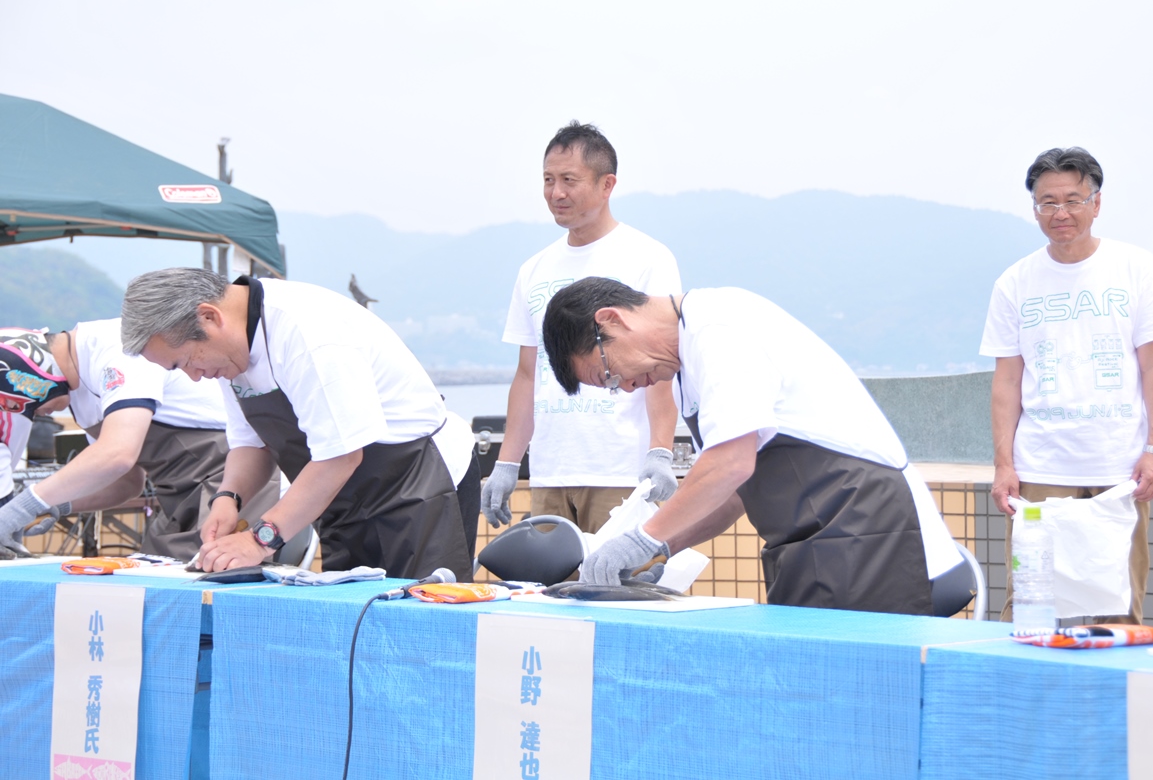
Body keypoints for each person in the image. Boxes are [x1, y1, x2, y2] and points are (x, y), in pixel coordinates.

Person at [539, 277, 963, 613]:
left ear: (611, 320)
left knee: (851, 703)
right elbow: (735, 492)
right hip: (824, 540)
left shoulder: (718, 327)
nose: (627, 387)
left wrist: (643, 538)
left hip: (869, 530)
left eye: (609, 374)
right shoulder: (689, 361)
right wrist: (661, 549)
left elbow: (731, 464)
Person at [120, 269, 480, 579]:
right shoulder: (228, 354)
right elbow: (251, 444)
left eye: (185, 361)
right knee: (355, 627)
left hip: (419, 485)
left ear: (209, 317)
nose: (194, 377)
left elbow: (341, 457)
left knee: (426, 626)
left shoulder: (306, 330)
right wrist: (228, 499)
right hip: (342, 500)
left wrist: (258, 540)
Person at [980, 147, 1153, 624]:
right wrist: (1004, 464)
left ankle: (1108, 697)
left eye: (1073, 199)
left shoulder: (1137, 269)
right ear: (1034, 209)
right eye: (1047, 202)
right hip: (1041, 466)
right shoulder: (1015, 282)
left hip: (1120, 468)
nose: (1060, 213)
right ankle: (1029, 695)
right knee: (1031, 606)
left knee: (1117, 606)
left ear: (1096, 202)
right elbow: (1007, 380)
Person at [482, 121, 681, 534]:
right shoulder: (533, 270)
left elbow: (660, 362)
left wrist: (660, 451)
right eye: (548, 180)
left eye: (569, 180)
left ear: (607, 184)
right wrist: (507, 462)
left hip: (623, 473)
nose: (557, 193)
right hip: (551, 472)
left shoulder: (647, 257)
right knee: (551, 595)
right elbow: (527, 374)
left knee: (623, 593)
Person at [0, 319, 279, 560]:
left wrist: (24, 505)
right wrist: (58, 504)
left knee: (199, 585)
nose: (40, 414)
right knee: (146, 579)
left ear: (29, 375)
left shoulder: (118, 348)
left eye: (32, 407)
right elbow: (126, 483)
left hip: (234, 480)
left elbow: (118, 454)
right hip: (179, 497)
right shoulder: (79, 395)